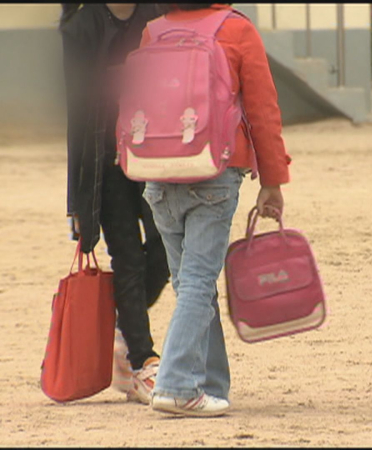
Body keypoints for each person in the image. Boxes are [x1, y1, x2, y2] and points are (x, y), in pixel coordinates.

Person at [135, 3, 291, 417]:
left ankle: (209, 384)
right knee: (199, 283)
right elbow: (262, 109)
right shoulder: (236, 30)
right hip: (213, 171)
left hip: (159, 175)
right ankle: (176, 385)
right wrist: (273, 180)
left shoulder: (155, 31)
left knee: (191, 285)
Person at [59, 3, 170, 404]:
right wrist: (77, 198)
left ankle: (126, 326)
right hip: (106, 160)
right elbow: (78, 112)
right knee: (126, 257)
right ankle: (143, 361)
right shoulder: (82, 25)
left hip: (155, 154)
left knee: (164, 250)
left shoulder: (157, 14)